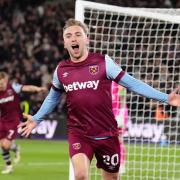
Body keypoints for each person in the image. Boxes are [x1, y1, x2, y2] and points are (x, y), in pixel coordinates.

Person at [19, 18, 180, 180]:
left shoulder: (103, 63)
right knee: (80, 175)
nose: (73, 38)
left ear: (86, 39)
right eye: (68, 36)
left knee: (111, 177)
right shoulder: (61, 70)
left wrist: (166, 98)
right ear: (65, 43)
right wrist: (37, 118)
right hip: (79, 132)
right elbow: (52, 98)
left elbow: (133, 84)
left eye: (77, 34)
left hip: (107, 133)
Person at [0, 71, 47, 174]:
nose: (1, 86)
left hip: (14, 120)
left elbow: (26, 88)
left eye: (2, 83)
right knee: (2, 145)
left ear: (6, 81)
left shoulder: (13, 87)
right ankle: (9, 166)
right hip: (2, 120)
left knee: (6, 145)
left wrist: (37, 89)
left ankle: (15, 148)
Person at [111, 81, 128, 175]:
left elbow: (122, 100)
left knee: (119, 139)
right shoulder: (103, 80)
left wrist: (121, 115)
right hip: (108, 114)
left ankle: (121, 164)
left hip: (119, 113)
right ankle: (112, 162)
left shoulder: (119, 83)